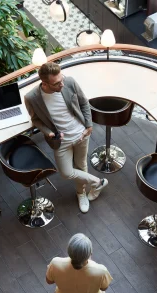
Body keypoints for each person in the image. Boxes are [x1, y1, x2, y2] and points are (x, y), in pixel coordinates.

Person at [24, 62, 108, 214]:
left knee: (81, 166)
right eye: (56, 84)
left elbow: (84, 103)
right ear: (45, 83)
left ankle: (81, 193)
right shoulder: (32, 98)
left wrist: (88, 126)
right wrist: (48, 132)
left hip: (81, 133)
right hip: (61, 140)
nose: (62, 84)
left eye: (61, 79)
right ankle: (98, 182)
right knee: (66, 172)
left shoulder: (69, 82)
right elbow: (35, 119)